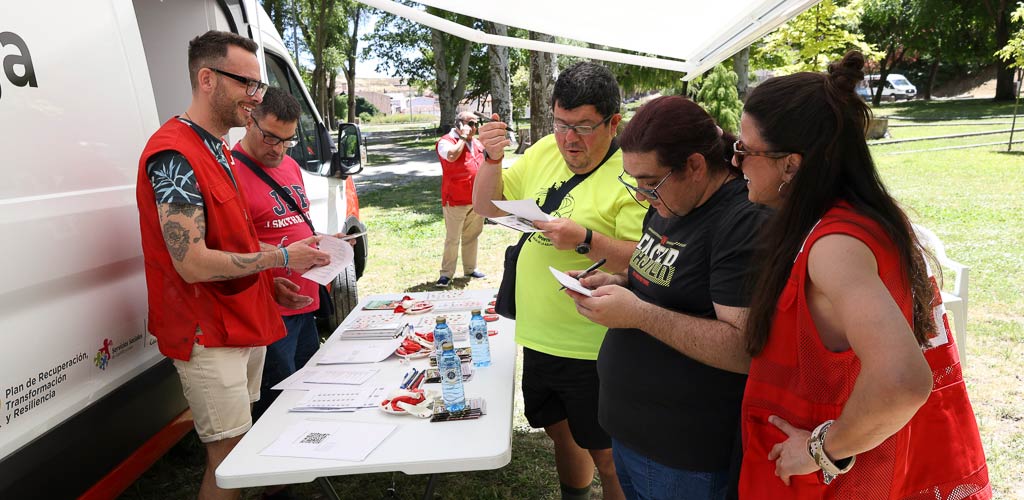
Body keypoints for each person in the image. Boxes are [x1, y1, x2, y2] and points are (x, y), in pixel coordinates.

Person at [735, 51, 990, 498]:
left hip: (831, 483)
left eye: (744, 150)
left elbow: (903, 381)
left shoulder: (835, 247)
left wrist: (821, 451)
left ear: (791, 165)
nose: (736, 163)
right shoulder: (862, 219)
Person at [136, 31, 330, 500]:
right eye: (247, 82)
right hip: (207, 332)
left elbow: (229, 240)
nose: (256, 95)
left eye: (257, 85)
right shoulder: (175, 153)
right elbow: (192, 263)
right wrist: (282, 258)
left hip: (240, 321)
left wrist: (267, 283)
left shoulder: (216, 147)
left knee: (240, 454)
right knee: (229, 461)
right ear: (207, 79)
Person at [565, 96, 769, 500]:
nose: (642, 195)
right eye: (634, 181)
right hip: (632, 430)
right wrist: (617, 281)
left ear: (695, 165)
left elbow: (743, 348)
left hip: (684, 452)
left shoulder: (742, 221)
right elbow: (661, 283)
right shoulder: (669, 202)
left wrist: (639, 315)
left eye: (649, 182)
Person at [474, 61, 646, 500]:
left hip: (594, 343)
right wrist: (492, 159)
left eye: (584, 127)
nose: (569, 139)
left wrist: (585, 239)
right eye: (561, 124)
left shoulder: (633, 172)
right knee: (562, 434)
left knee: (608, 454)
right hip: (540, 334)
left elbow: (647, 258)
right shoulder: (544, 152)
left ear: (613, 122)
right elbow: (489, 207)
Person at [231, 87, 320, 421]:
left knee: (306, 386)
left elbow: (292, 222)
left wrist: (324, 241)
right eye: (271, 138)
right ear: (249, 121)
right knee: (277, 402)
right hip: (269, 310)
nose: (278, 149)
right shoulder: (230, 172)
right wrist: (271, 277)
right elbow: (232, 246)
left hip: (305, 302)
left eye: (288, 140)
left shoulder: (290, 166)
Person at [435, 111, 487, 287]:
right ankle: (446, 274)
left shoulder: (477, 142)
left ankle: (470, 269)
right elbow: (451, 156)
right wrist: (463, 139)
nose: (474, 128)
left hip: (476, 198)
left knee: (472, 236)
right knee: (453, 238)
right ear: (459, 124)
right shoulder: (446, 142)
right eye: (470, 124)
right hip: (455, 198)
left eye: (476, 124)